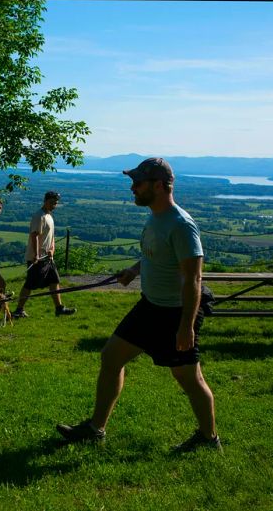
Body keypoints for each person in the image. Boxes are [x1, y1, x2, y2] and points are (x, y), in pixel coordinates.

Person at [55, 157, 221, 452]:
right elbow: (154, 255)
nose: (132, 188)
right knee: (110, 358)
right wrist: (134, 270)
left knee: (189, 378)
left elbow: (193, 279)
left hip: (174, 314)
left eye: (138, 183)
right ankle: (96, 428)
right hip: (149, 307)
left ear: (159, 185)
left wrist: (186, 327)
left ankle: (209, 440)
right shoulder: (156, 217)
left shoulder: (181, 225)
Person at [12, 191, 76, 319]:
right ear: (45, 201)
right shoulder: (39, 216)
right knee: (29, 284)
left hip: (47, 257)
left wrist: (52, 249)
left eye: (56, 203)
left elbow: (50, 237)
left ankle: (59, 308)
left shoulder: (49, 216)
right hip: (37, 258)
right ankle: (19, 310)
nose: (54, 205)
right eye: (51, 202)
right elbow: (34, 236)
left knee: (54, 280)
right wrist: (36, 255)